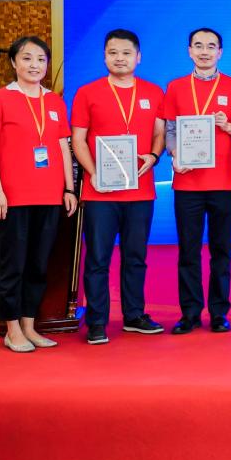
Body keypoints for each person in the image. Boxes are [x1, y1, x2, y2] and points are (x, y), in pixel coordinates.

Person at [0, 36, 78, 352]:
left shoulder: (54, 102)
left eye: (40, 59)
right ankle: (12, 330)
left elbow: (62, 147)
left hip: (49, 196)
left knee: (38, 265)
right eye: (26, 58)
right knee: (14, 265)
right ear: (13, 62)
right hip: (14, 198)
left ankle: (29, 326)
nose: (34, 65)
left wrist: (69, 188)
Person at [71, 29, 166, 344]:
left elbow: (159, 133)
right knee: (98, 258)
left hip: (140, 190)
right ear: (104, 56)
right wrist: (94, 173)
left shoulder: (154, 92)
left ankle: (134, 315)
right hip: (100, 192)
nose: (120, 58)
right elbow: (78, 140)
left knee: (135, 256)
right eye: (113, 52)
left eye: (126, 53)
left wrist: (154, 156)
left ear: (138, 57)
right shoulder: (87, 93)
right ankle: (97, 321)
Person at [161, 28, 231, 334]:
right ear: (189, 51)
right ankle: (190, 313)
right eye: (199, 46)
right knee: (189, 250)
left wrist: (229, 126)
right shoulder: (176, 86)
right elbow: (170, 130)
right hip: (187, 184)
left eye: (211, 46)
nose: (204, 51)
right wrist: (174, 154)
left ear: (220, 52)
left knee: (221, 250)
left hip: (224, 182)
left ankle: (219, 313)